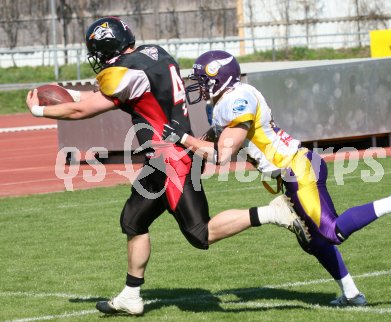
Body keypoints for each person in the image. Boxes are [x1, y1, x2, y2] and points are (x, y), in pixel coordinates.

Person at [25, 17, 311, 316]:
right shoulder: (154, 54)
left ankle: (273, 212)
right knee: (133, 220)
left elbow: (83, 109)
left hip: (171, 161)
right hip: (161, 160)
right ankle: (131, 295)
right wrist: (66, 95)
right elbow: (99, 98)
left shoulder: (126, 72)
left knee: (201, 233)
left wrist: (40, 110)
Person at [162, 50, 391, 306]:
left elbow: (222, 154)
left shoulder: (237, 100)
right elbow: (216, 137)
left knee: (332, 231)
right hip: (295, 170)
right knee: (314, 242)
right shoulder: (230, 100)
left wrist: (182, 138)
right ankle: (351, 294)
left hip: (298, 169)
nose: (198, 86)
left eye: (203, 80)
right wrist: (191, 143)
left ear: (219, 79)